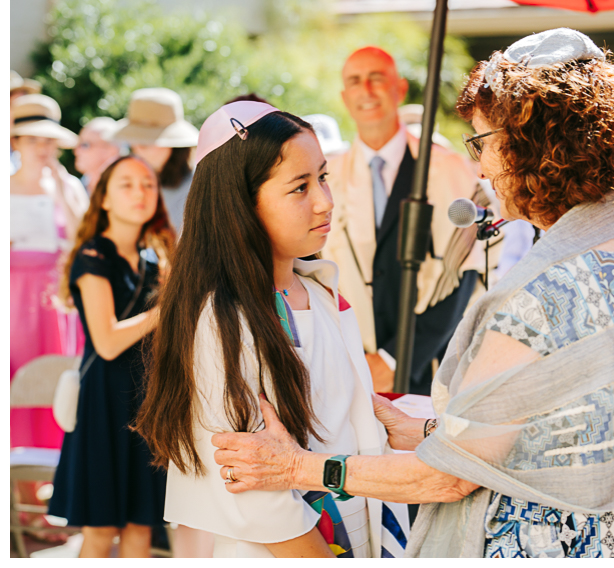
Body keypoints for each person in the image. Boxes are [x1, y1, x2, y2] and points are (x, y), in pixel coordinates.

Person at [210, 29, 614, 558]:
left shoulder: (545, 294)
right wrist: (424, 427)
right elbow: (568, 421)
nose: (480, 168)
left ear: (535, 146)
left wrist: (296, 467)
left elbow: (446, 480)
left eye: (483, 143)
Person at [136, 101, 408, 558]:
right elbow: (252, 491)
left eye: (322, 177)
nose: (325, 201)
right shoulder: (218, 318)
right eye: (299, 187)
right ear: (239, 203)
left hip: (363, 531)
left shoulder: (321, 291)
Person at [324, 47, 482, 395]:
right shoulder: (327, 177)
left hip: (428, 367)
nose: (366, 90)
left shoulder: (448, 170)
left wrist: (394, 359)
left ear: (399, 89)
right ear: (344, 97)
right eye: (355, 81)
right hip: (348, 367)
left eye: (377, 78)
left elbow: (464, 271)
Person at [48, 156, 174, 557]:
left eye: (148, 184)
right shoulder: (94, 256)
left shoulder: (155, 259)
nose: (140, 193)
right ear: (104, 198)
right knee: (101, 532)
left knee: (141, 527)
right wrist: (167, 308)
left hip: (148, 405)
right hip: (104, 405)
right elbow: (107, 342)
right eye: (126, 184)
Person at [10, 95, 88, 449]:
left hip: (55, 301)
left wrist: (61, 193)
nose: (42, 148)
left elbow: (86, 242)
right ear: (16, 142)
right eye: (32, 139)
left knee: (57, 381)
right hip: (11, 299)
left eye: (48, 140)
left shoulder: (69, 186)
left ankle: (53, 479)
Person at [112, 88, 199, 234]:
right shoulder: (131, 183)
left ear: (174, 144)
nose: (138, 148)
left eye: (146, 142)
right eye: (135, 140)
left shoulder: (200, 187)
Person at [74, 117, 122, 194]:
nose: (76, 151)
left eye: (85, 145)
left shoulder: (127, 189)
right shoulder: (73, 188)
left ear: (111, 150)